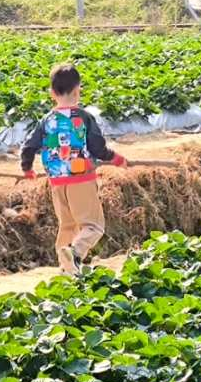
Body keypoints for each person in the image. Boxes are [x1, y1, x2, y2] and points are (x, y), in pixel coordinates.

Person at [20, 63, 127, 275]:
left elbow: (29, 146)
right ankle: (75, 252)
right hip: (81, 178)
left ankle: (66, 268)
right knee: (93, 226)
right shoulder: (83, 117)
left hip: (57, 180)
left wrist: (27, 169)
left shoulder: (46, 120)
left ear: (52, 93)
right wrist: (115, 158)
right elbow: (97, 147)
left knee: (67, 224)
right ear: (78, 90)